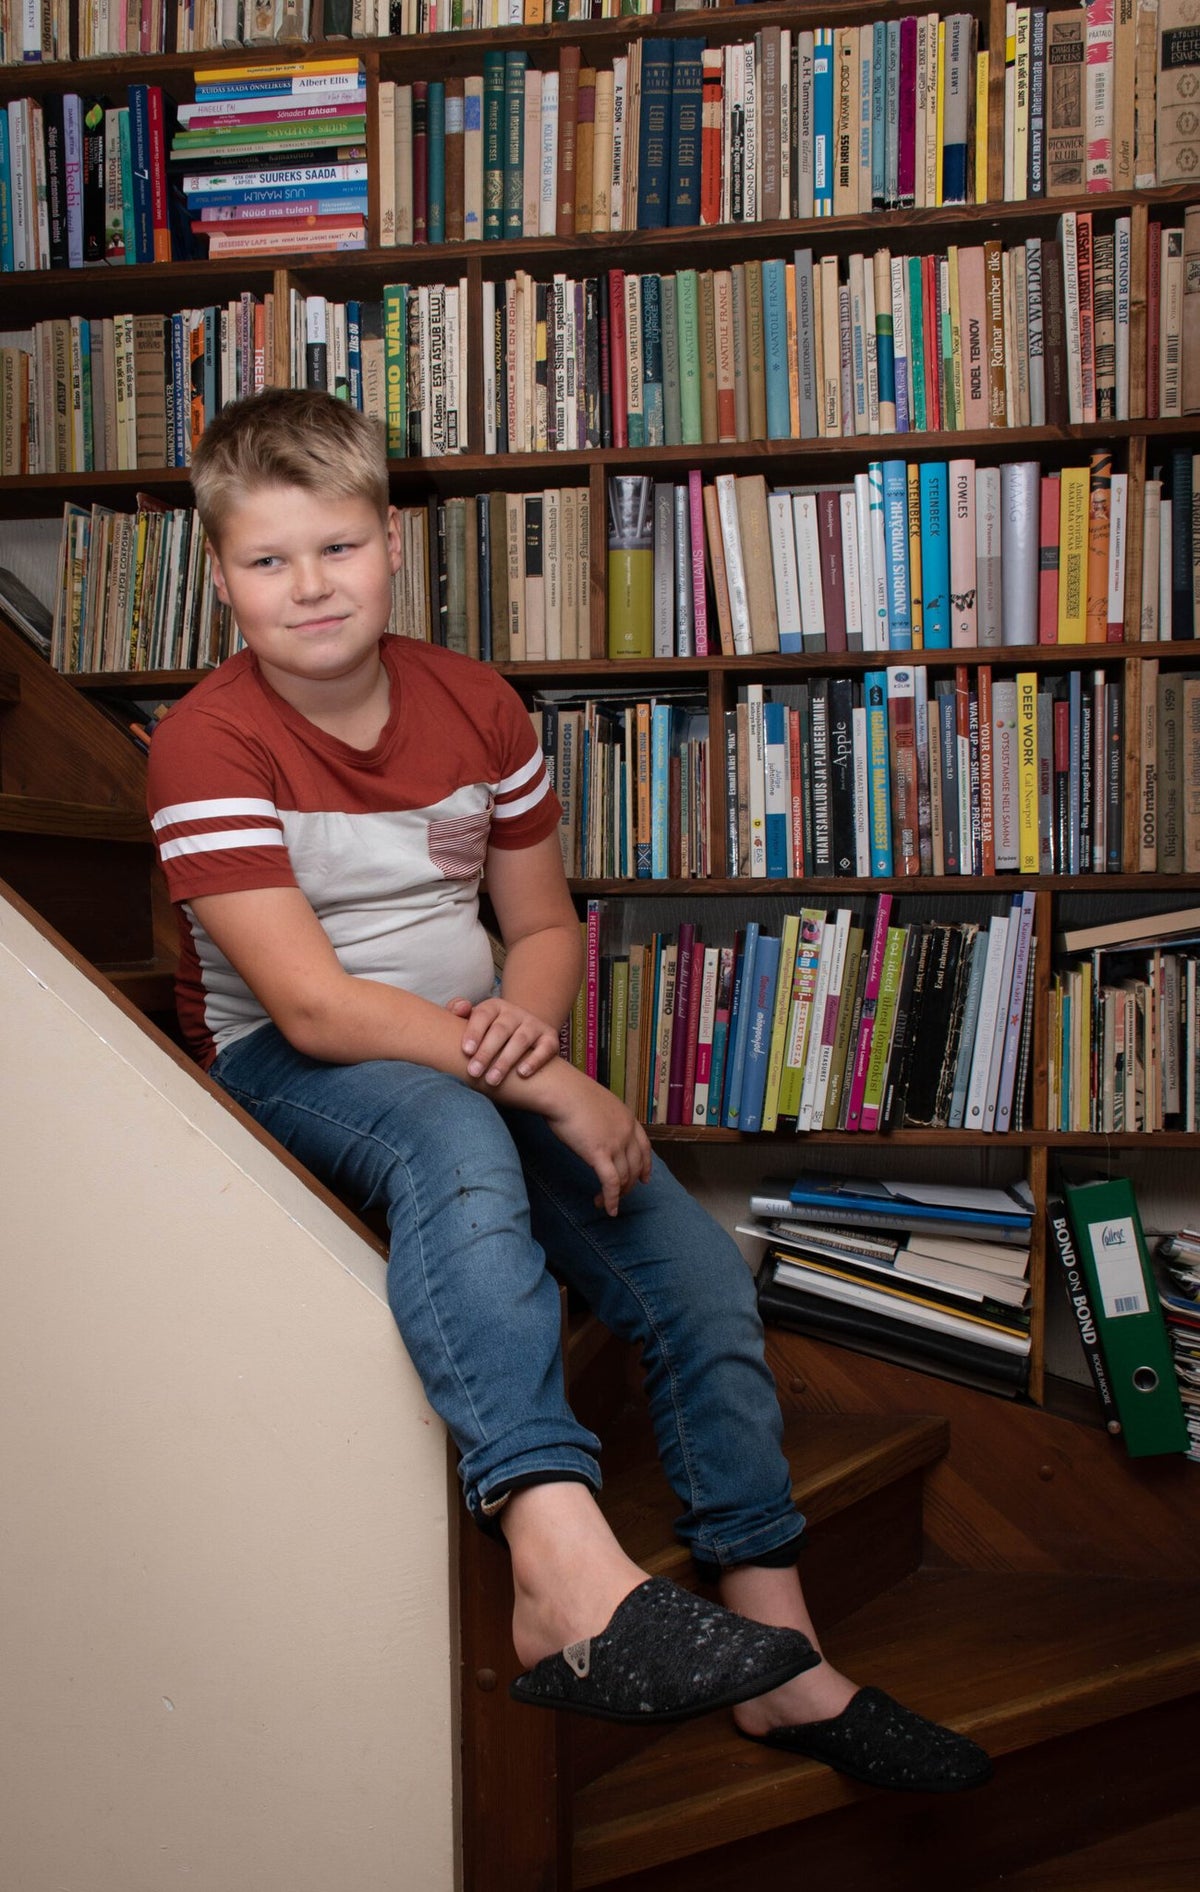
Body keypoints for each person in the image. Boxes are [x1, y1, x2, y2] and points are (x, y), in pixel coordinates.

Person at [146, 387, 990, 1791]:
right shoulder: (206, 741)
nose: (308, 588)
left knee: (698, 1272)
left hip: (480, 1042)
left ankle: (779, 1650)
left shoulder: (477, 702)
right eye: (267, 560)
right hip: (295, 1064)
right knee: (457, 1145)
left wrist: (542, 1066)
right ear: (222, 575)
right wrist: (543, 1091)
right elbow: (307, 1001)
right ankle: (555, 1556)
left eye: (338, 547)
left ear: (393, 543)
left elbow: (542, 930)